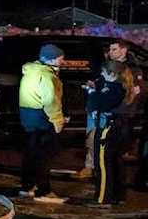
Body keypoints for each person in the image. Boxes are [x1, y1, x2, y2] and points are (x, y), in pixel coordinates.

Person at [75, 39, 144, 180]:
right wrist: (95, 87)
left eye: (114, 50)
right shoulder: (105, 65)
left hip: (113, 112)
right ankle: (91, 167)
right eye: (109, 50)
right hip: (99, 108)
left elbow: (129, 92)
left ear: (123, 50)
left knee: (108, 146)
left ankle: (105, 175)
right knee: (92, 138)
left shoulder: (131, 69)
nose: (110, 53)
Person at [18, 43, 67, 203]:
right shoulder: (47, 76)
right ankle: (44, 190)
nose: (62, 62)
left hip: (28, 116)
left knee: (30, 153)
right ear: (52, 60)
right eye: (60, 59)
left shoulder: (31, 71)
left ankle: (27, 186)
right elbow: (51, 101)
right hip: (42, 118)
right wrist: (58, 122)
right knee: (43, 156)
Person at [84, 60, 135, 207]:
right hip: (117, 128)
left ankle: (103, 198)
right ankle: (118, 195)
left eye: (104, 72)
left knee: (103, 164)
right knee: (115, 162)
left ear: (112, 74)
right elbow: (101, 86)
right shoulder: (118, 87)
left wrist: (92, 92)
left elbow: (97, 102)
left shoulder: (115, 90)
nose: (101, 74)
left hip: (108, 128)